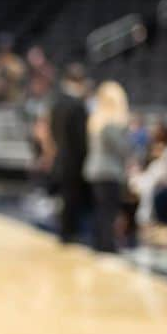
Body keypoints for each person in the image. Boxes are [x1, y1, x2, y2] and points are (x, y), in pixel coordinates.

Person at [83, 81, 132, 253]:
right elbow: (121, 148)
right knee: (108, 210)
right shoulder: (109, 124)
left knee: (101, 209)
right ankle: (106, 244)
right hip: (108, 171)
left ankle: (99, 242)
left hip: (95, 171)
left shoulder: (95, 120)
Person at [49, 62, 92, 243]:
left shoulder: (57, 103)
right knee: (72, 198)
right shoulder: (77, 106)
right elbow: (81, 138)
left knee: (65, 197)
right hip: (75, 159)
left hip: (61, 155)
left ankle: (64, 231)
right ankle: (69, 233)